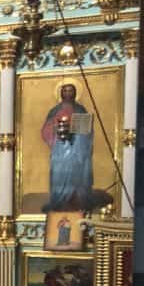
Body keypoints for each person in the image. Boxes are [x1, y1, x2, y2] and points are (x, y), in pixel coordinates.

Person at [41, 83, 94, 212]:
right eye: (65, 91)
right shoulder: (55, 111)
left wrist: (78, 129)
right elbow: (45, 130)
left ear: (75, 93)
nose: (68, 93)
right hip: (60, 148)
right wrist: (56, 127)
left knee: (77, 172)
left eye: (71, 91)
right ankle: (60, 200)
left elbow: (87, 130)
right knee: (60, 172)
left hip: (77, 148)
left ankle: (77, 201)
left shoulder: (81, 109)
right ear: (61, 93)